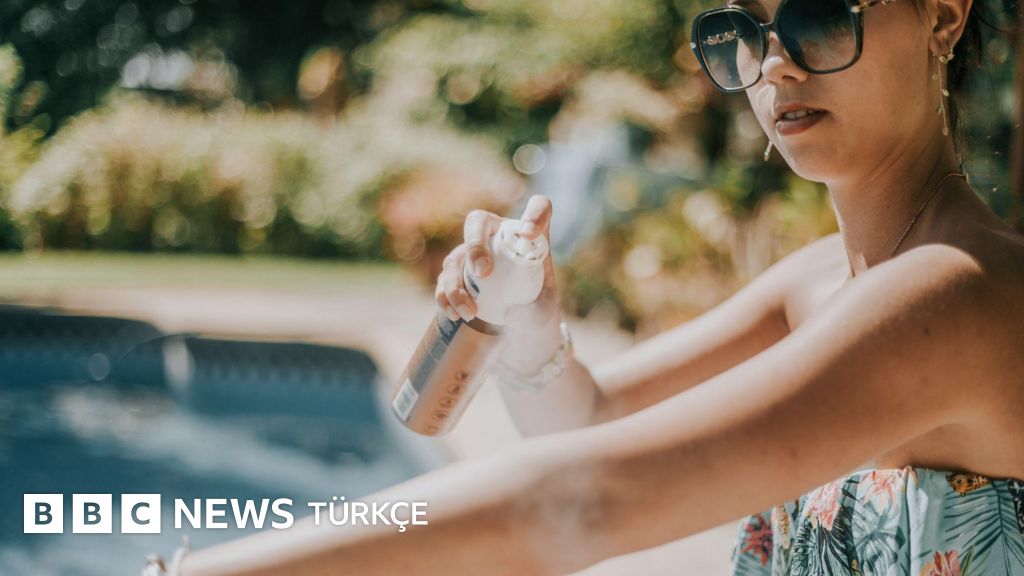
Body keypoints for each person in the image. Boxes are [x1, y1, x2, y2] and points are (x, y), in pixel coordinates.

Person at [155, 0, 1024, 574]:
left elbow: (587, 500)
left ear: (943, 16)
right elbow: (590, 423)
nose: (775, 66)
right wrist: (533, 327)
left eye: (819, 18)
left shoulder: (958, 293)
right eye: (746, 32)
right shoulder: (820, 279)